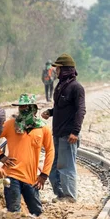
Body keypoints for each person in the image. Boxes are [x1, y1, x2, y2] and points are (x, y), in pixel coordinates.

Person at [0, 94, 54, 216]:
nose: (22, 110)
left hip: (31, 178)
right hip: (11, 175)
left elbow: (50, 151)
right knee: (13, 213)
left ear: (33, 109)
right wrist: (1, 157)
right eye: (21, 107)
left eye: (26, 107)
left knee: (37, 213)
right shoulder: (10, 125)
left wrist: (44, 175)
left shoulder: (43, 129)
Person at [42, 54, 86, 203]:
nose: (56, 71)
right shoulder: (61, 86)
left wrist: (75, 132)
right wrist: (50, 112)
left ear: (65, 69)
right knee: (54, 168)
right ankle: (61, 195)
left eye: (58, 68)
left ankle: (70, 196)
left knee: (66, 166)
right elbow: (61, 108)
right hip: (58, 133)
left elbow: (81, 110)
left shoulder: (76, 87)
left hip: (68, 134)